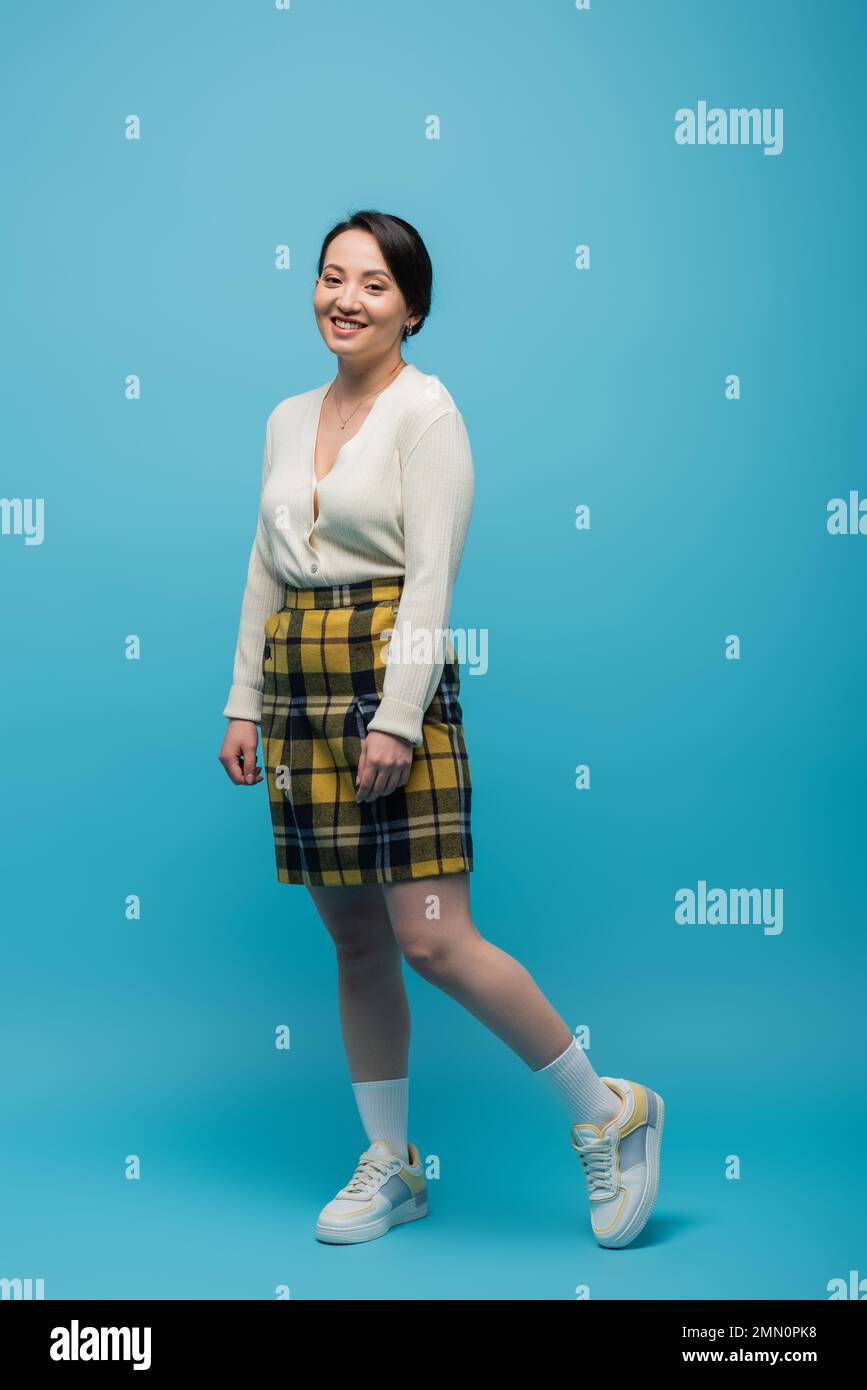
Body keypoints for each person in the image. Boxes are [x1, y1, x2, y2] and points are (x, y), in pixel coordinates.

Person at [218, 209, 664, 1249]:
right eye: (333, 277)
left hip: (387, 677)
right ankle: (394, 1165)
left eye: (374, 284)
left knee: (433, 937)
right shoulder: (286, 417)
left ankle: (610, 1112)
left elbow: (430, 580)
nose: (346, 298)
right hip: (298, 677)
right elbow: (263, 567)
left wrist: (401, 719)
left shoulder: (429, 411)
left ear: (411, 307)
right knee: (357, 941)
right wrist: (243, 699)